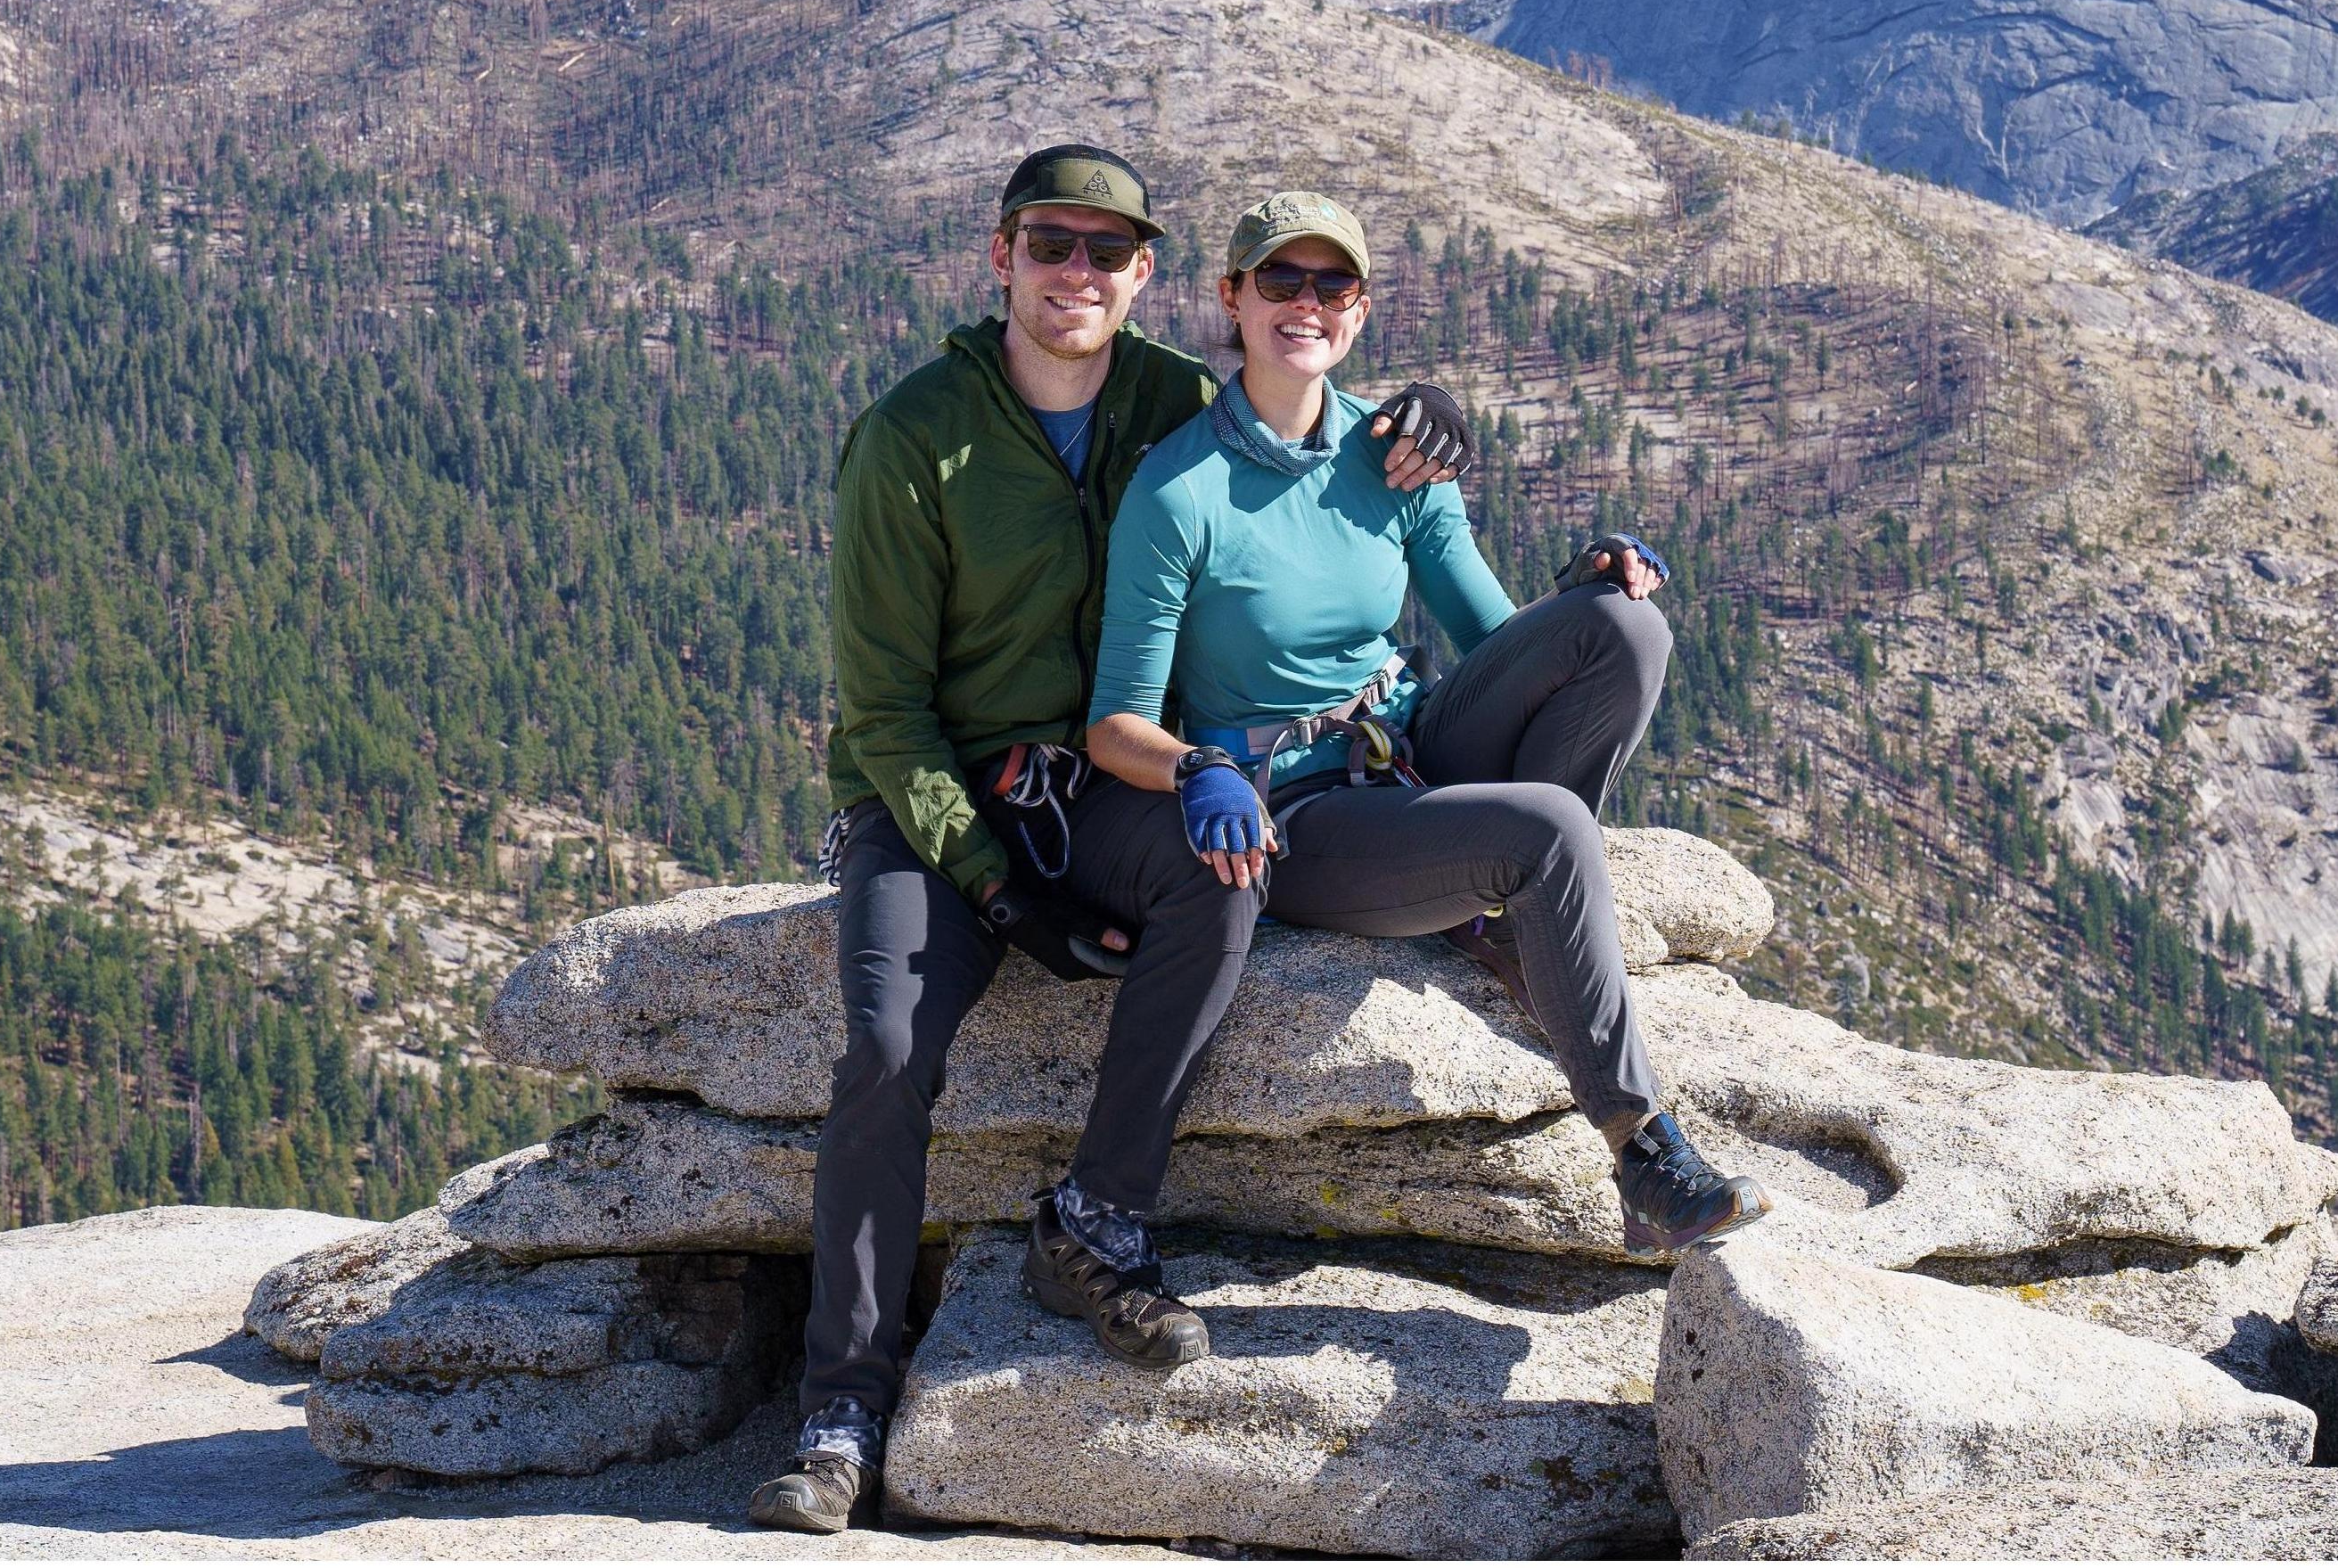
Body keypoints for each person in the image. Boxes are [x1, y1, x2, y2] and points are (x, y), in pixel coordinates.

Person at [749, 150, 1475, 1535]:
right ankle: (840, 1403)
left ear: (1144, 275)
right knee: (890, 1043)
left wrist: (1416, 422)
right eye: (1050, 243)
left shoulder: (1164, 400)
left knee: (1225, 869)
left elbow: (1299, 424)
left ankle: (1093, 1228)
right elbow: (888, 712)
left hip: (1094, 784)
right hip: (932, 804)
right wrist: (990, 886)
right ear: (1001, 256)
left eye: (1106, 250)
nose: (1076, 271)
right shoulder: (913, 435)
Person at [1085, 189, 1769, 1269]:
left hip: (1409, 750)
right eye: (1280, 280)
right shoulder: (1179, 493)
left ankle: (1514, 918)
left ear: (1358, 311)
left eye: (1332, 285)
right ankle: (1639, 1146)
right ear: (1231, 298)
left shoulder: (1394, 454)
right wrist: (1197, 768)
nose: (1305, 304)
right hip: (1301, 812)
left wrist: (1589, 587)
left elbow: (1491, 634)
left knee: (1622, 631)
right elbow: (1114, 721)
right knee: (1543, 829)